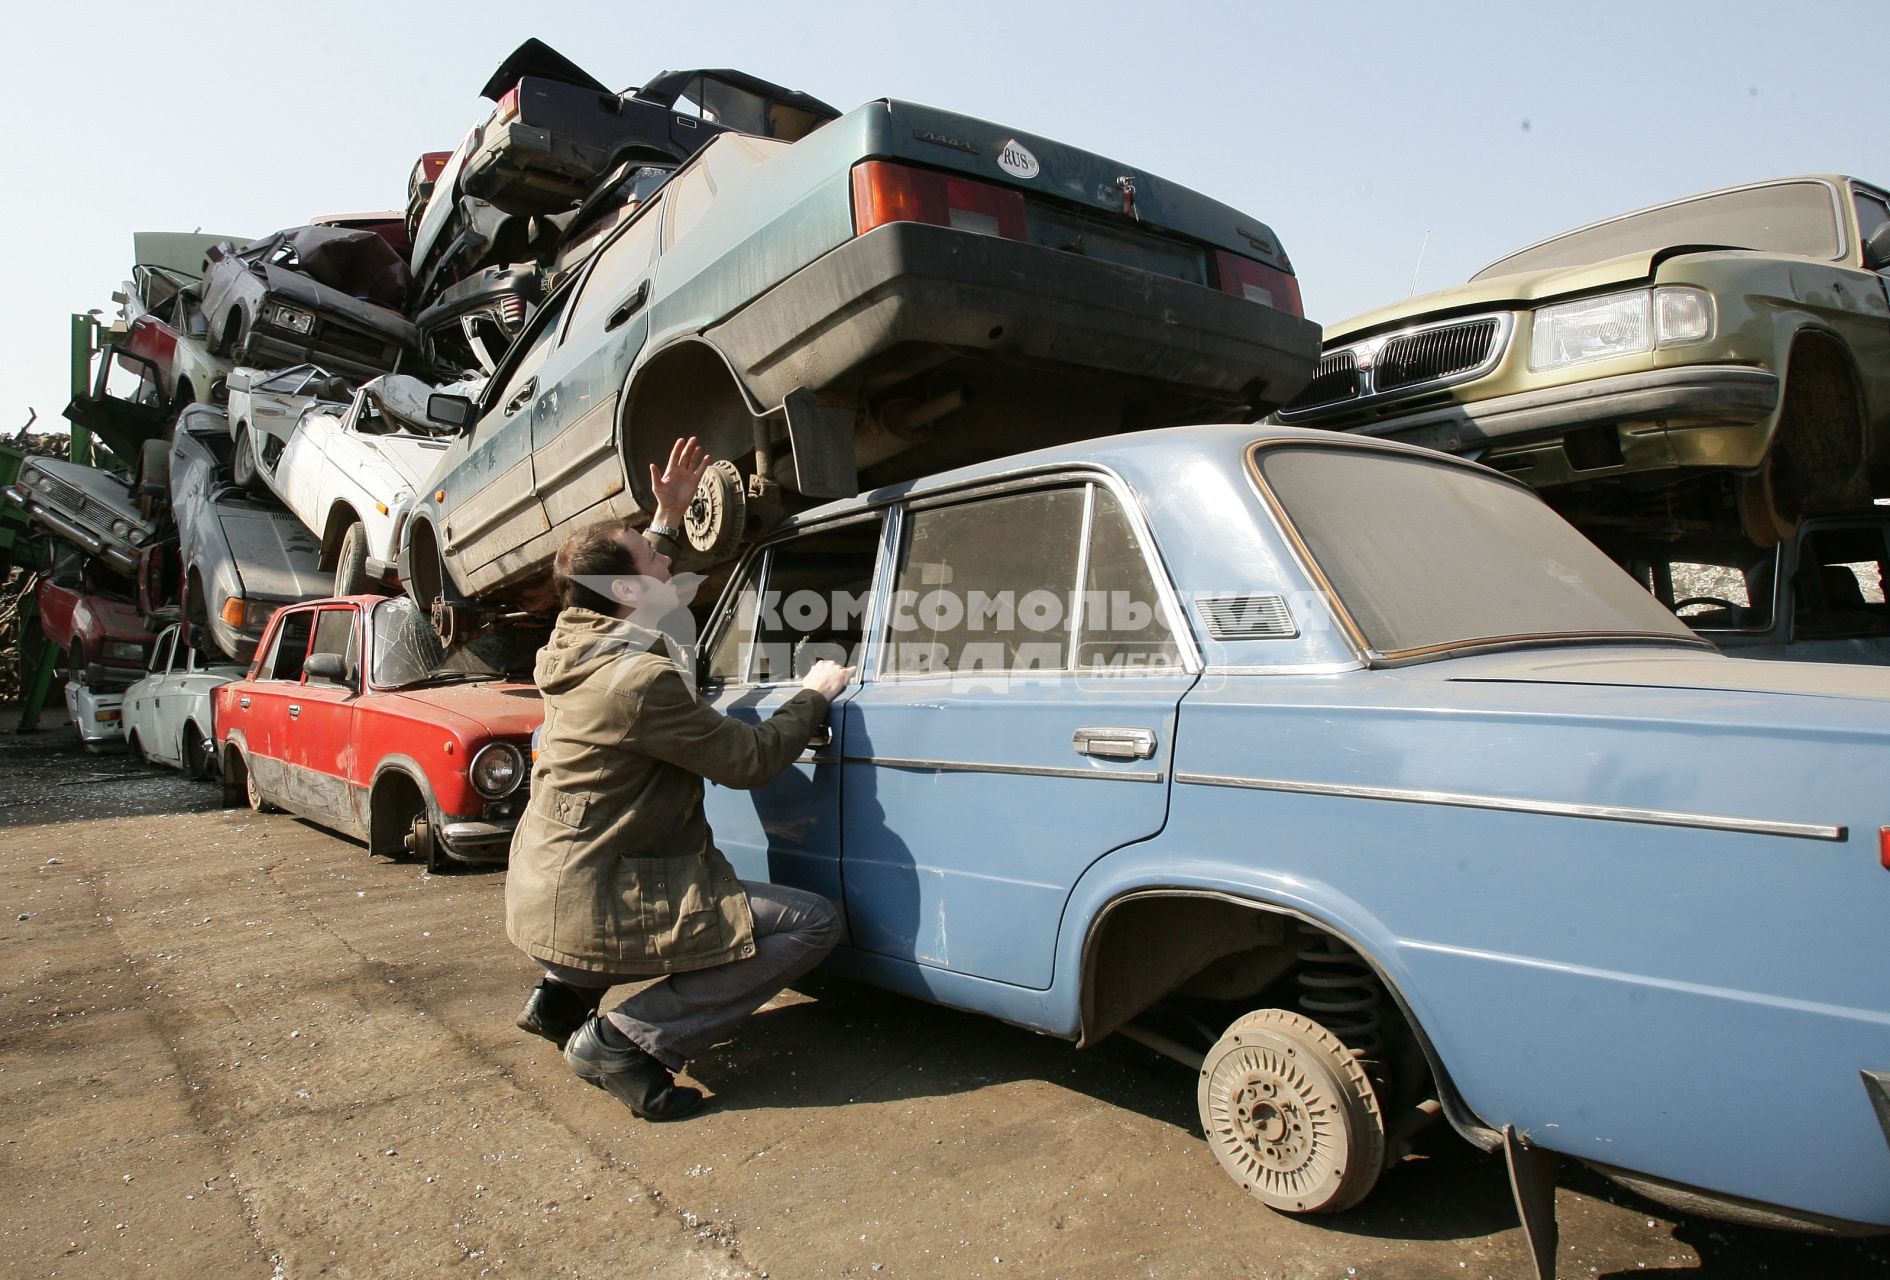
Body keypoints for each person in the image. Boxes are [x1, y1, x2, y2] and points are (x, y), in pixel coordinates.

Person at [505, 436, 854, 1121]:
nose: (664, 558)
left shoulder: (570, 642)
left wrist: (666, 517)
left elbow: (627, 587)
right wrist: (813, 693)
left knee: (643, 880)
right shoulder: (641, 680)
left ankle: (564, 995)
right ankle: (624, 1039)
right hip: (599, 893)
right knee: (813, 925)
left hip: (548, 883)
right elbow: (749, 761)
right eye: (648, 554)